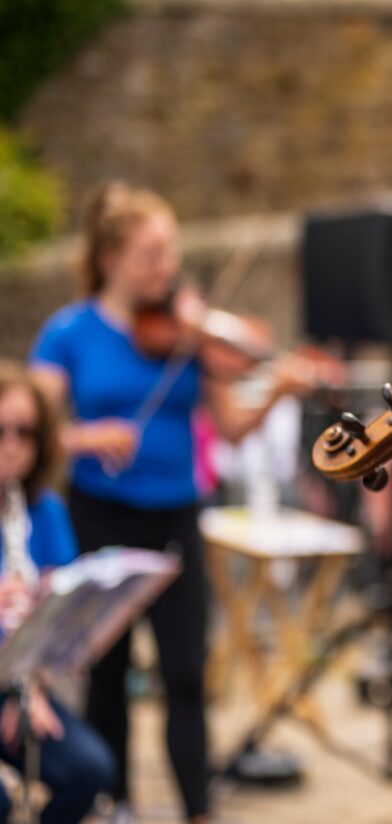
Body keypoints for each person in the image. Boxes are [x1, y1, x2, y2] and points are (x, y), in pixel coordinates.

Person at [29, 182, 319, 823]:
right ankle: (118, 803)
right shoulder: (69, 333)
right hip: (99, 513)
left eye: (170, 253)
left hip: (177, 513)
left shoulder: (190, 332)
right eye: (152, 255)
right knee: (107, 673)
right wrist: (84, 436)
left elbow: (234, 426)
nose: (168, 269)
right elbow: (30, 431)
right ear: (111, 259)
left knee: (187, 670)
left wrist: (275, 390)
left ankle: (197, 807)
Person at [0, 360, 117, 823]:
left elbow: (63, 615)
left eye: (25, 432)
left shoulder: (43, 510)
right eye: (0, 429)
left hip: (19, 684)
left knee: (91, 771)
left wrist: (30, 691)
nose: (11, 445)